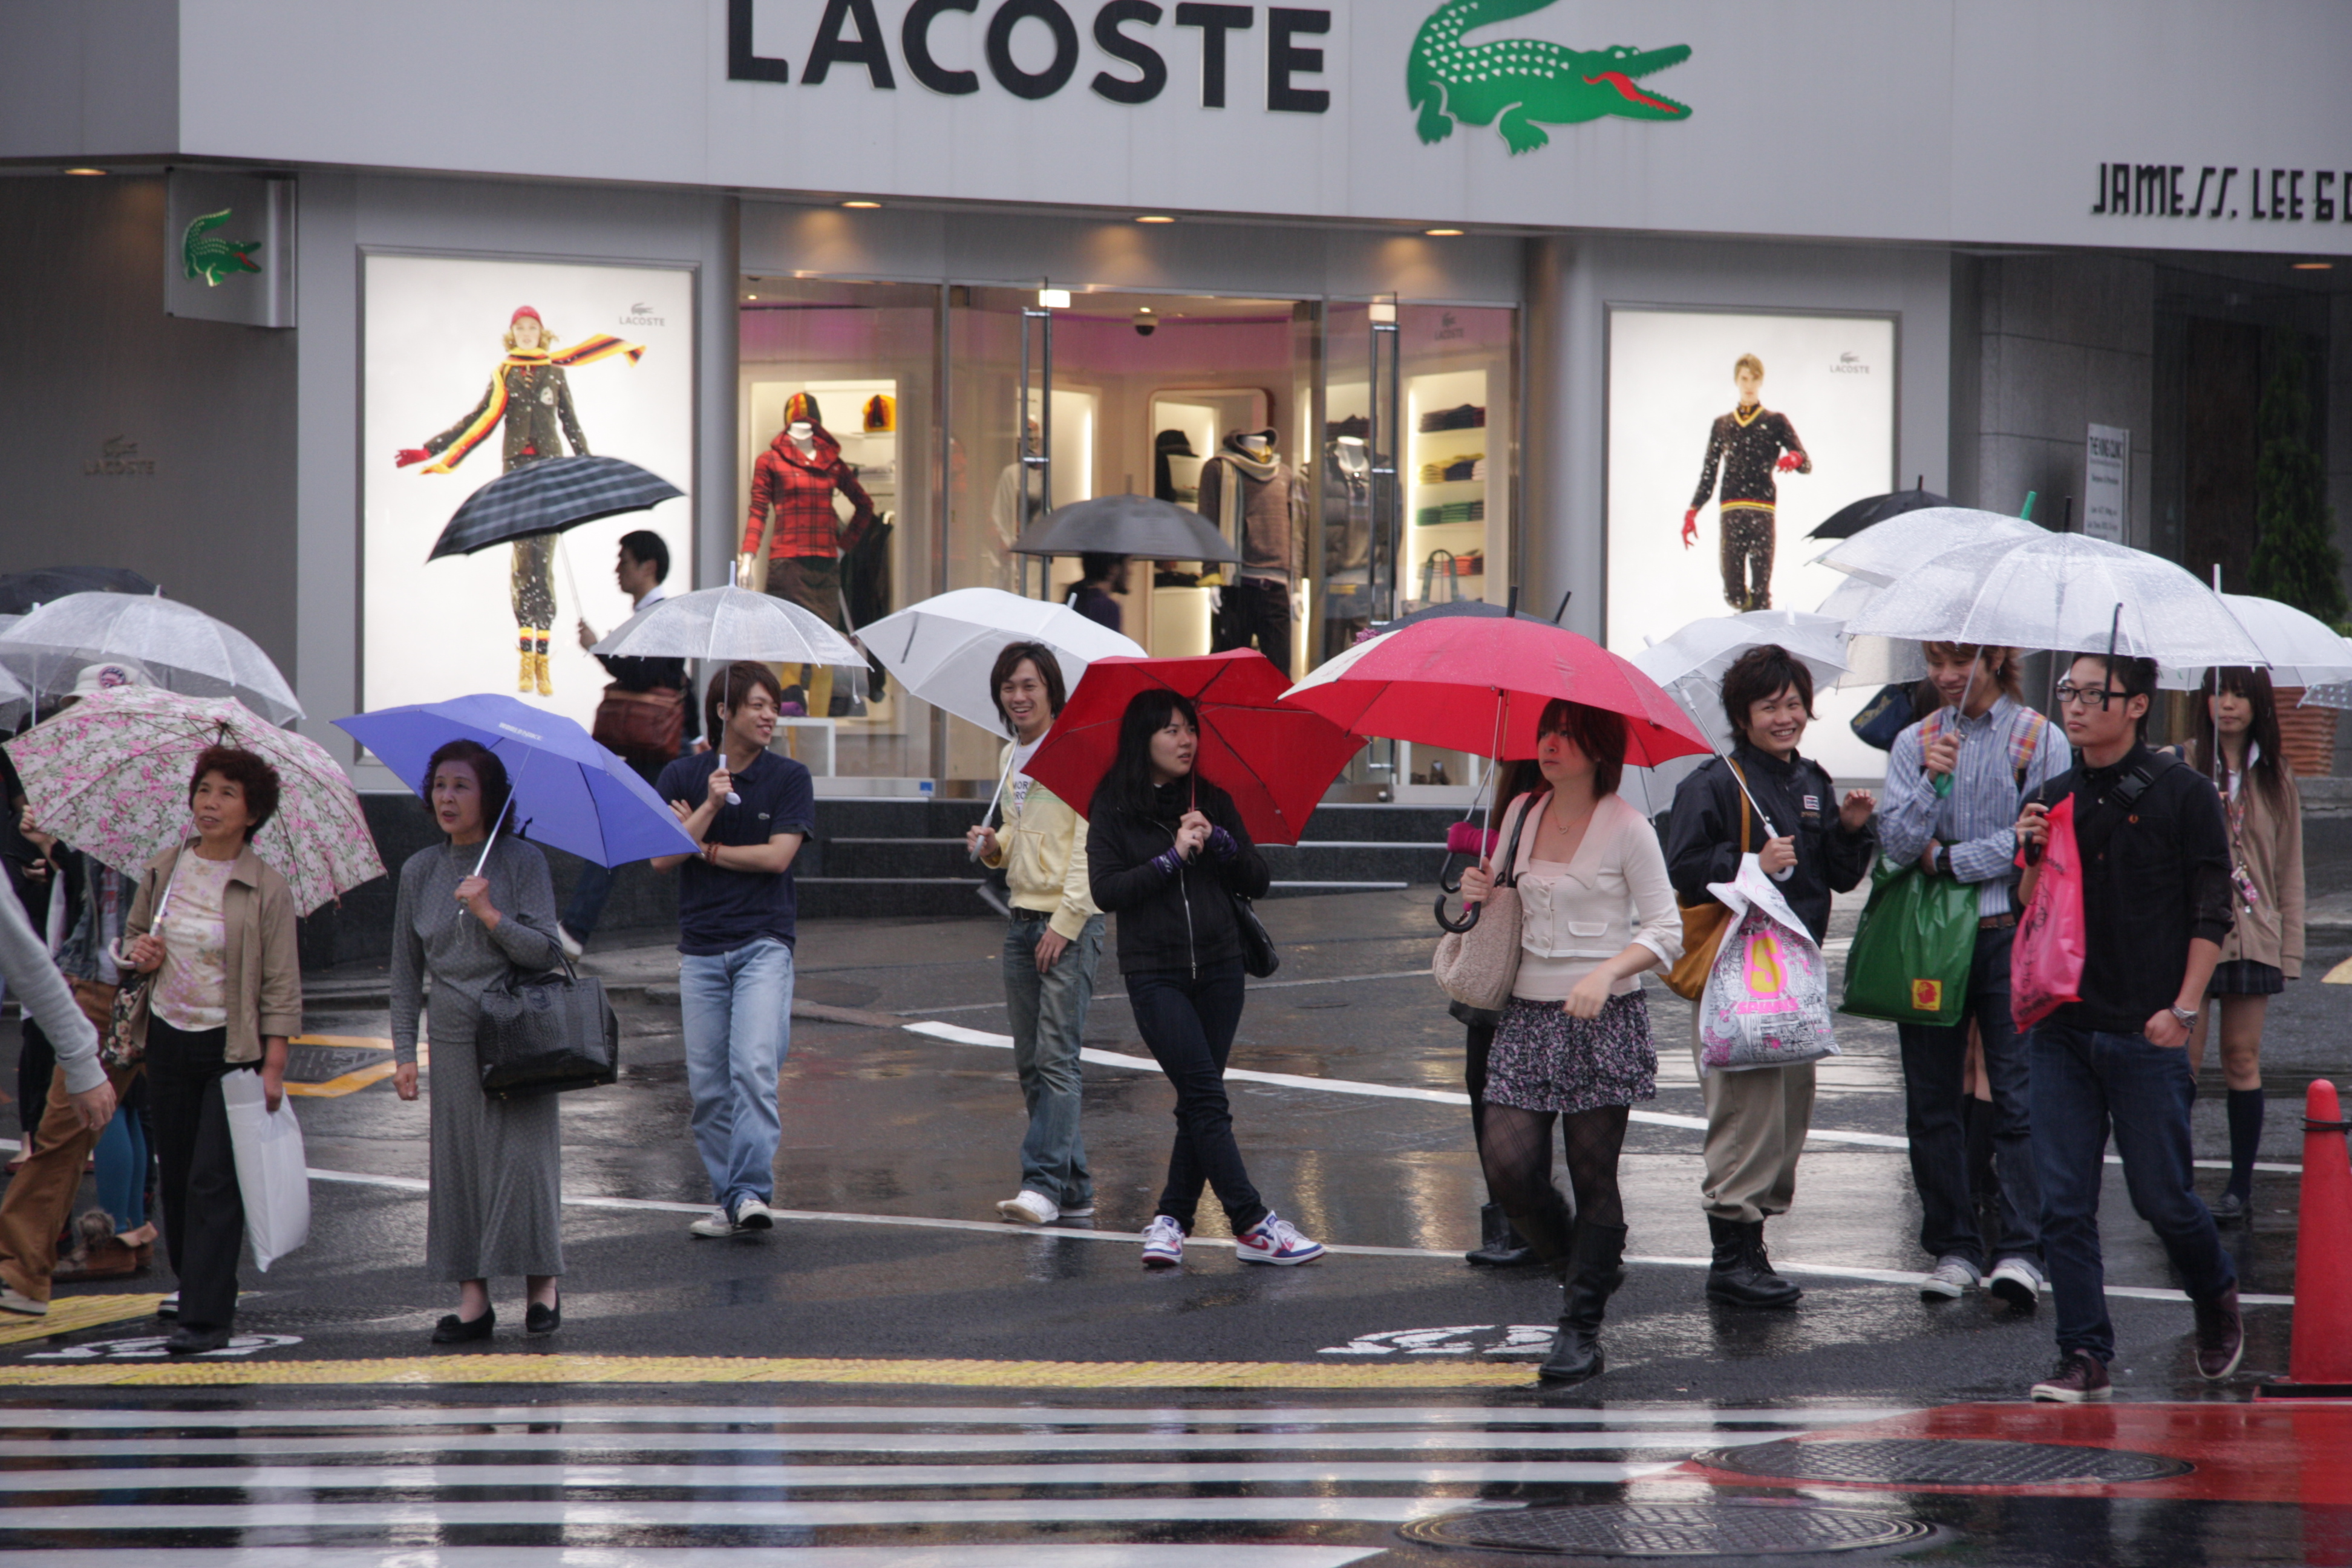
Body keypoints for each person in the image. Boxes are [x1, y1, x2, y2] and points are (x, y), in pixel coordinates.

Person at [2015, 652, 2242, 1402]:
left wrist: (2184, 1009)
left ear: (2138, 705)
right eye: (2068, 692)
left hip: (2148, 1029)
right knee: (2062, 1203)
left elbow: (2212, 910)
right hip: (2062, 1024)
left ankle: (2213, 1291)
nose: (2075, 707)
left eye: (2094, 694)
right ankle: (2084, 1353)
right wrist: (2031, 851)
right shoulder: (2051, 795)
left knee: (2162, 1198)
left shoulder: (2185, 794)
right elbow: (2029, 906)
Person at [1457, 699, 1681, 1383]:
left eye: (1567, 734)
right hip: (1524, 1016)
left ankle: (1581, 1327)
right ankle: (1582, 1267)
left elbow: (1666, 931)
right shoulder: (1522, 812)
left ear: (1599, 748)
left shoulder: (1628, 827)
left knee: (1593, 1177)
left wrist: (1607, 973)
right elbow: (1500, 905)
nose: (1550, 744)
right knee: (1508, 1168)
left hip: (1600, 1021)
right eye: (1546, 732)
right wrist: (1478, 888)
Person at [1665, 644, 1875, 1308]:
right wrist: (1750, 861)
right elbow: (1683, 868)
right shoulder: (1714, 782)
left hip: (1793, 975)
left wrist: (1850, 830)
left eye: (1793, 704)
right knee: (1744, 1114)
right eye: (1769, 706)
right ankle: (1731, 1258)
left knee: (1787, 1116)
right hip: (1737, 973)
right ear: (1742, 716)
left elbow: (1837, 876)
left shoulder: (1812, 779)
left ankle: (1751, 1247)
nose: (1785, 717)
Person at [1088, 690, 1322, 1269]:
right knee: (1205, 1097)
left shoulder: (1213, 799)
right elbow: (1107, 890)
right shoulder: (1113, 806)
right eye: (1171, 730)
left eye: (1190, 729)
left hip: (1220, 969)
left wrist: (1220, 843)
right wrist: (1170, 857)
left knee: (1198, 1098)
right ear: (1143, 738)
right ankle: (1251, 1222)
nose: (1186, 740)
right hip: (1155, 973)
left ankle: (1171, 1219)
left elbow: (1258, 879)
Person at [1874, 642, 2066, 1307]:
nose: (1946, 676)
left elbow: (2037, 846)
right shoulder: (1915, 742)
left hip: (2011, 933)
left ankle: (2021, 1250)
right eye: (1936, 662)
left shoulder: (2039, 739)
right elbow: (1899, 845)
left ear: (1995, 658)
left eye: (1960, 662)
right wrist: (1931, 781)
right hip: (1932, 940)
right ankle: (1953, 1247)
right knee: (1932, 1102)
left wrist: (1950, 860)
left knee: (2018, 1098)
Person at [120, 746, 301, 1354]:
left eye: (227, 793)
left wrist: (274, 1063)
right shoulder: (165, 868)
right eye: (203, 789)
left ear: (253, 812)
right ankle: (192, 1283)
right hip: (168, 1038)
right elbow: (134, 939)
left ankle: (206, 1314)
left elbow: (281, 981)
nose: (210, 802)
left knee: (213, 1181)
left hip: (233, 1048)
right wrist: (140, 954)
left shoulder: (266, 887)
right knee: (176, 1178)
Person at [389, 740, 569, 1342]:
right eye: (440, 785)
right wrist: (404, 1053)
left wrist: (491, 913)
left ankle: (542, 1286)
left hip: (520, 1029)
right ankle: (474, 1300)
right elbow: (405, 972)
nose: (447, 797)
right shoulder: (420, 870)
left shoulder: (523, 862)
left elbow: (547, 952)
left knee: (524, 1162)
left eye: (462, 786)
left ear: (489, 797)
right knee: (460, 1163)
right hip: (452, 1033)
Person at [396, 305, 645, 696]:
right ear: (512, 334)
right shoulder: (505, 374)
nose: (527, 333)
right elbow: (478, 419)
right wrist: (429, 450)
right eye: (520, 328)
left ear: (541, 333)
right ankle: (526, 654)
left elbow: (571, 423)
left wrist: (588, 465)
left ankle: (541, 657)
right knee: (523, 563)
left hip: (549, 472)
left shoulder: (555, 372)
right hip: (516, 472)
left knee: (544, 562)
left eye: (532, 327)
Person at [653, 662, 815, 1239]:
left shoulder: (790, 777)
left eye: (774, 706)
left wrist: (704, 846)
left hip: (763, 943)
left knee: (753, 1067)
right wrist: (709, 808)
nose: (771, 715)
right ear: (725, 712)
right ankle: (731, 1199)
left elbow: (777, 857)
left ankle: (749, 1191)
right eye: (757, 705)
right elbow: (661, 857)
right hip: (701, 949)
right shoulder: (683, 774)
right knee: (709, 1089)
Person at [964, 644, 1105, 1226]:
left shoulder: (1076, 751)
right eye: (1008, 688)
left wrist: (1066, 925)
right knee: (1030, 1061)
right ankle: (1074, 1189)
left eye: (1029, 686)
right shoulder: (1010, 755)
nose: (1018, 697)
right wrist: (993, 846)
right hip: (1020, 918)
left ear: (1051, 690)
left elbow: (1089, 846)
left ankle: (1042, 1185)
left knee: (1055, 1058)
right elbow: (1020, 835)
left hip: (1066, 922)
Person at [2184, 666, 2303, 1225]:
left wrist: (2290, 950)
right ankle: (2174, 1182)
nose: (2228, 704)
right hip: (2190, 932)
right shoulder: (2182, 762)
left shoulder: (2276, 775)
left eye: (2239, 693)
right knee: (2181, 1063)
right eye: (2219, 692)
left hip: (2253, 934)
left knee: (2241, 1057)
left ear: (2259, 704)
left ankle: (2239, 1188)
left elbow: (2290, 869)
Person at [563, 528, 701, 956]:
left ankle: (574, 931)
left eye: (623, 560)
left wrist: (600, 649)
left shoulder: (662, 616)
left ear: (648, 566)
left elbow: (647, 676)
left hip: (661, 747)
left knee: (638, 832)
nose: (617, 569)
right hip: (655, 746)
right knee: (646, 832)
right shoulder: (650, 616)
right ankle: (574, 931)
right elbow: (676, 680)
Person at [0, 856, 120, 1318]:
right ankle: (22, 1275)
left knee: (194, 1148)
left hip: (175, 999)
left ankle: (203, 1284)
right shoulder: (104, 835)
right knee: (60, 1133)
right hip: (96, 984)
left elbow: (21, 951)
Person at [1681, 354, 1809, 612]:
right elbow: (1709, 475)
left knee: (1761, 592)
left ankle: (1757, 628)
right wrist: (1693, 510)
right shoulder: (1723, 425)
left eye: (1754, 379)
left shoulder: (1775, 421)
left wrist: (1795, 458)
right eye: (1744, 378)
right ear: (1737, 381)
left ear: (1761, 381)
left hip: (1763, 511)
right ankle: (1748, 612)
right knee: (1734, 593)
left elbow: (1806, 463)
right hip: (1732, 512)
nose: (1749, 384)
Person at [1067, 553, 1128, 634]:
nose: (1130, 572)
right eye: (1128, 564)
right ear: (1113, 569)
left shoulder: (1075, 599)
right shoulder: (1106, 607)